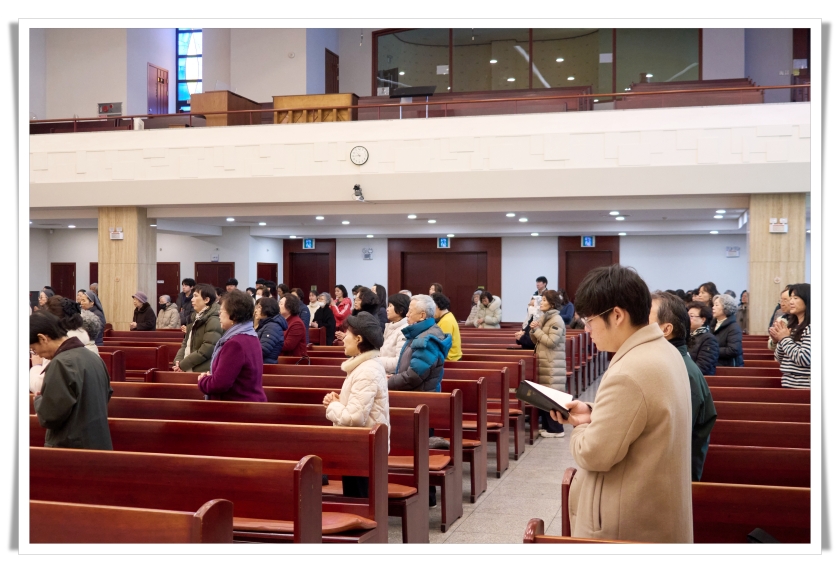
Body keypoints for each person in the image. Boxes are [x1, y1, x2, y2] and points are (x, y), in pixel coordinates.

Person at [558, 264, 692, 543]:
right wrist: (593, 412)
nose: (587, 329)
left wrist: (581, 427)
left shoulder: (629, 371)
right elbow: (644, 415)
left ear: (617, 315)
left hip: (626, 522)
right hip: (655, 511)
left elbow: (593, 453)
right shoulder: (665, 350)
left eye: (590, 320)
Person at [650, 291, 717, 481]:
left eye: (645, 319)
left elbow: (669, 439)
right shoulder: (669, 363)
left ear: (666, 329)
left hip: (673, 479)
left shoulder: (681, 372)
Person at [322, 311, 390, 498]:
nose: (343, 339)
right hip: (358, 446)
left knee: (359, 500)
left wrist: (333, 406)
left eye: (347, 334)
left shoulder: (367, 370)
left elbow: (355, 417)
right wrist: (339, 401)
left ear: (359, 339)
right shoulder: (363, 366)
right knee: (355, 498)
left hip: (363, 449)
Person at [30, 311, 113, 450]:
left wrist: (39, 401)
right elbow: (106, 395)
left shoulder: (60, 363)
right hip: (99, 443)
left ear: (43, 338)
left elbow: (50, 416)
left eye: (33, 349)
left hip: (70, 449)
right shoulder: (94, 358)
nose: (36, 354)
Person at [197, 290, 267, 402]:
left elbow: (219, 384)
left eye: (221, 311)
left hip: (239, 406)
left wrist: (203, 380)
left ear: (233, 315)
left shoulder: (235, 344)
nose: (219, 315)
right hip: (249, 403)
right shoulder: (250, 335)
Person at [30, 296, 100, 393]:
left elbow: (46, 389)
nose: (38, 354)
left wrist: (36, 366)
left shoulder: (61, 359)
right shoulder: (88, 351)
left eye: (33, 349)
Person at [388, 295, 453, 393]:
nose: (407, 315)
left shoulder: (427, 340)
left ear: (422, 316)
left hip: (420, 397)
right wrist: (394, 377)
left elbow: (414, 376)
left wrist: (389, 381)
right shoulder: (420, 333)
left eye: (410, 311)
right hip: (414, 393)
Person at [528, 289, 567, 438]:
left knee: (553, 396)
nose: (541, 303)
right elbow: (537, 341)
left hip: (552, 363)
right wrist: (533, 330)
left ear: (552, 304)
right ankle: (548, 427)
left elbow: (551, 342)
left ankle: (557, 430)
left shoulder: (556, 320)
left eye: (544, 300)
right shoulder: (545, 318)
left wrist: (537, 330)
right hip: (545, 361)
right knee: (545, 396)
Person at [173, 284, 223, 373]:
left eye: (196, 296)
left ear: (206, 300)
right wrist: (178, 361)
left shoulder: (214, 319)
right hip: (189, 367)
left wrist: (183, 365)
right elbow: (186, 343)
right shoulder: (195, 317)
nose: (192, 299)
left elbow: (207, 349)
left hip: (203, 371)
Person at [770, 283, 811, 389]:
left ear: (808, 300)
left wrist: (784, 339)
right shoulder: (793, 326)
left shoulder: (811, 328)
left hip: (805, 386)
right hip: (789, 384)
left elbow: (804, 359)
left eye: (795, 298)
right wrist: (779, 340)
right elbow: (779, 359)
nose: (791, 302)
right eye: (790, 298)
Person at [686, 302, 720, 376]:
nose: (687, 319)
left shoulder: (709, 340)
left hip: (701, 379)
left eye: (691, 316)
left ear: (703, 319)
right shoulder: (688, 335)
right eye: (687, 316)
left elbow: (703, 367)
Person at [711, 293, 744, 367]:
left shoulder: (734, 327)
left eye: (716, 305)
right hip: (714, 364)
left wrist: (711, 350)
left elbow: (733, 350)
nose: (713, 307)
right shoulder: (712, 324)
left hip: (728, 367)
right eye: (713, 305)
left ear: (726, 308)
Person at [380, 293, 410, 374]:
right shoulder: (391, 327)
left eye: (390, 306)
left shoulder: (404, 330)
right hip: (384, 371)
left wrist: (376, 360)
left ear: (400, 310)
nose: (387, 309)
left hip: (393, 375)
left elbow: (399, 362)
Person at [254, 297, 287, 364]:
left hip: (266, 365)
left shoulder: (272, 327)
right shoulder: (267, 324)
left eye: (259, 307)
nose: (256, 310)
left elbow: (263, 350)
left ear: (267, 309)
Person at [432, 292, 462, 361]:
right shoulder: (448, 316)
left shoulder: (446, 321)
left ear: (436, 306)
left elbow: (442, 345)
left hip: (450, 359)